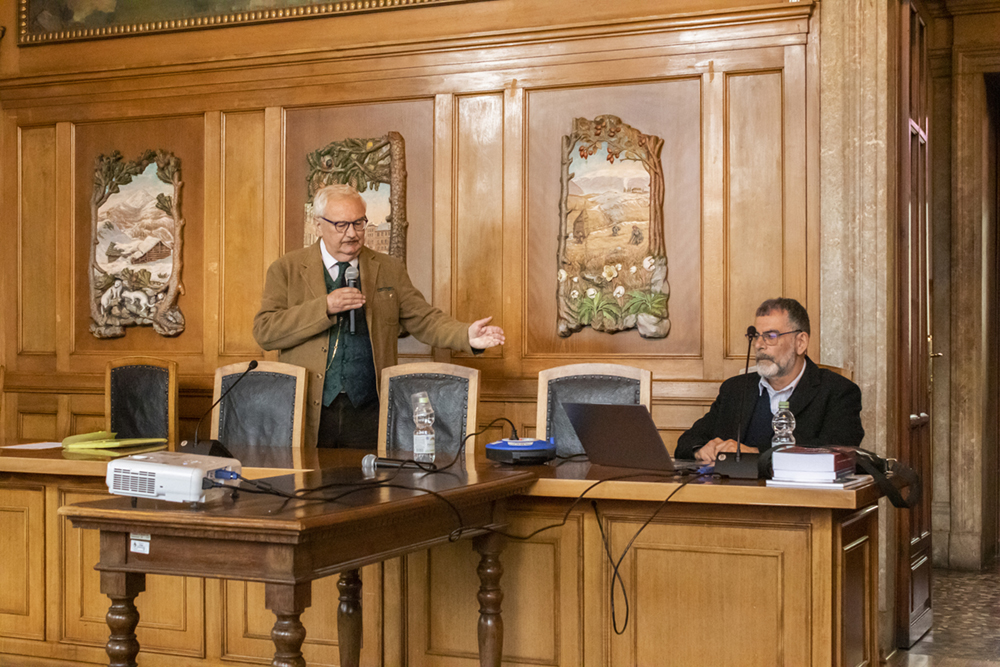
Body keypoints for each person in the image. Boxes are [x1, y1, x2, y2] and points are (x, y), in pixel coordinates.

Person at [253, 184, 504, 448]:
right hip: (308, 412)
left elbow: (424, 319)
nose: (352, 233)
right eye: (341, 225)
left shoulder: (389, 268)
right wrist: (324, 307)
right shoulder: (287, 269)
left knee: (369, 475)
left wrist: (466, 335)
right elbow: (265, 331)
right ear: (318, 225)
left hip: (370, 409)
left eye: (358, 223)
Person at [675, 297, 864, 463]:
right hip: (734, 491)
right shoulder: (735, 389)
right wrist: (700, 450)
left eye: (770, 336)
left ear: (800, 342)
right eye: (756, 336)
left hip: (799, 492)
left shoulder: (838, 392)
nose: (759, 345)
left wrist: (757, 454)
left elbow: (838, 452)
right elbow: (687, 442)